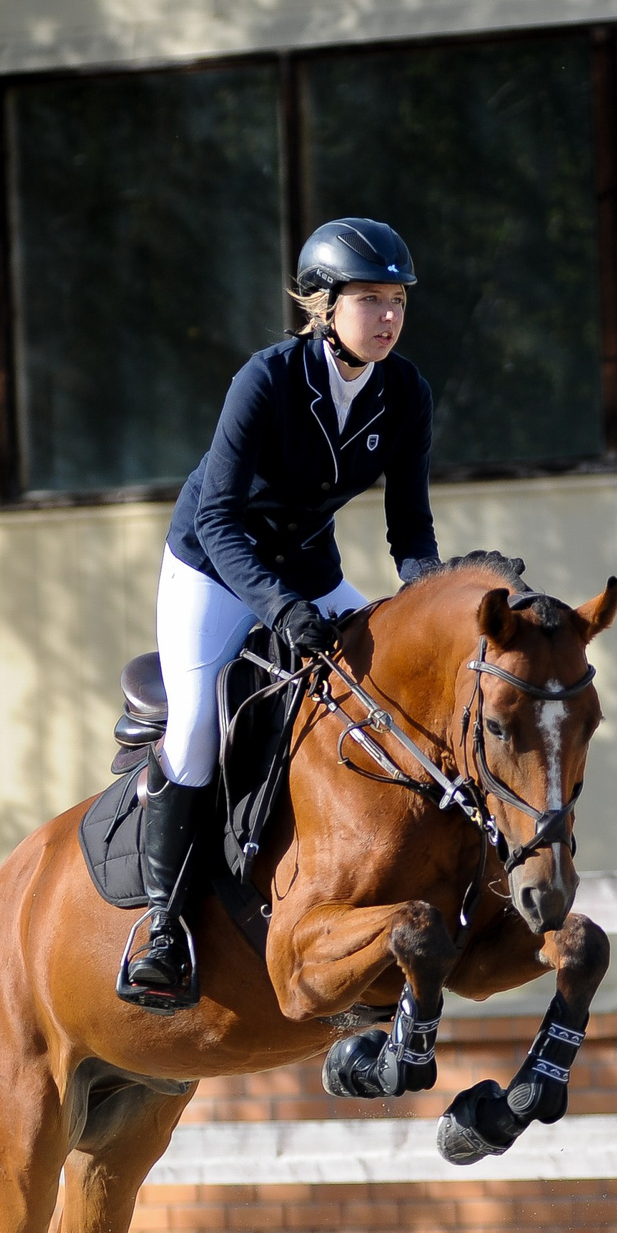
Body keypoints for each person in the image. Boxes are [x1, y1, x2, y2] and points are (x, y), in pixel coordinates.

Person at [122, 218, 443, 1007]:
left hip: (307, 568)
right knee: (197, 723)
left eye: (397, 299)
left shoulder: (405, 393)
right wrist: (280, 607)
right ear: (324, 307)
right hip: (214, 568)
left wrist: (441, 596)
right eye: (369, 299)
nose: (388, 316)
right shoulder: (265, 380)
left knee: (392, 700)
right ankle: (162, 928)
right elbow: (221, 521)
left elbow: (411, 533)